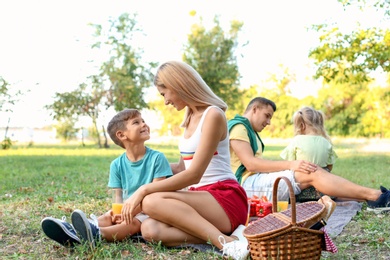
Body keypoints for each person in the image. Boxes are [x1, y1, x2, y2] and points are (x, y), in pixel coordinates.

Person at [120, 61, 250, 260]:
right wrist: (144, 165)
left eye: (164, 94)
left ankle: (225, 243)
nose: (165, 102)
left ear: (177, 84)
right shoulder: (190, 117)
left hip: (224, 197)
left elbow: (194, 175)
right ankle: (227, 236)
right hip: (201, 198)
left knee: (151, 201)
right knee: (150, 229)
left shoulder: (212, 114)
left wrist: (143, 189)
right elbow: (182, 167)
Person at [228, 97, 390, 212]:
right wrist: (291, 165)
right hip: (245, 187)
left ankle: (372, 197)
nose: (269, 122)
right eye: (267, 115)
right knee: (310, 171)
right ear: (254, 109)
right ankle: (376, 196)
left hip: (255, 182)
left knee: (311, 170)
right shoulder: (238, 127)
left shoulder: (247, 130)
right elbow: (251, 164)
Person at [41, 108, 173, 248]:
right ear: (121, 135)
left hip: (149, 210)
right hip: (127, 209)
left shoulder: (157, 158)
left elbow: (157, 194)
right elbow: (118, 196)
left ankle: (97, 234)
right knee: (108, 216)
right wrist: (118, 212)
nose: (144, 124)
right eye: (136, 122)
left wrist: (129, 213)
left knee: (132, 223)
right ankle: (75, 231)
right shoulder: (116, 164)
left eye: (143, 121)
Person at [280, 106, 338, 201]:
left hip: (301, 192)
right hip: (324, 191)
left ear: (302, 125)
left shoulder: (296, 141)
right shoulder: (326, 142)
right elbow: (329, 167)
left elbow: (289, 166)